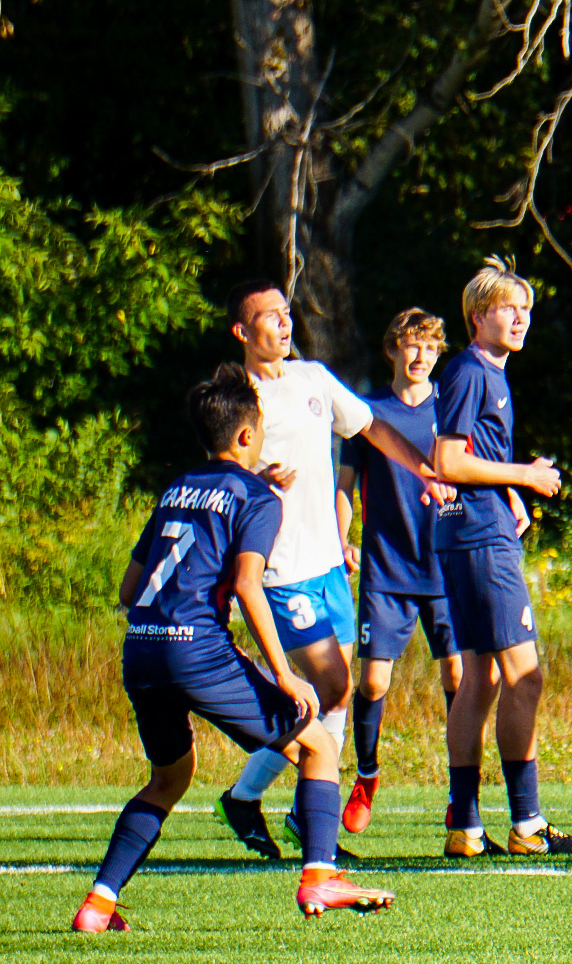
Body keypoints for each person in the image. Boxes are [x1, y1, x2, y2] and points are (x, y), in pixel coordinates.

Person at [74, 364, 393, 932]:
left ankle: (98, 904)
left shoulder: (176, 489)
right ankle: (321, 875)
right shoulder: (257, 495)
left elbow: (129, 590)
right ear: (247, 436)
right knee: (318, 742)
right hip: (197, 650)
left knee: (169, 779)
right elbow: (248, 585)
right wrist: (284, 674)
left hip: (142, 648)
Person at [214, 281, 447, 859]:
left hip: (327, 563)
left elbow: (369, 426)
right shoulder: (233, 395)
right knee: (333, 687)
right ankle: (261, 801)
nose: (285, 324)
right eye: (271, 317)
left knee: (332, 699)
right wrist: (252, 485)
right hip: (279, 570)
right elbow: (217, 476)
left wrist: (424, 470)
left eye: (287, 314)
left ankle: (288, 811)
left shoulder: (313, 378)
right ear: (244, 332)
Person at [434, 256, 572, 856]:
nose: (522, 318)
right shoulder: (471, 372)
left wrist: (507, 492)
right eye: (510, 308)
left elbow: (470, 454)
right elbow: (447, 461)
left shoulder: (489, 373)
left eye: (527, 310)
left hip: (474, 530)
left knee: (478, 680)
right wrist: (523, 477)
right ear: (478, 316)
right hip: (479, 539)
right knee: (525, 678)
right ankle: (526, 824)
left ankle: (466, 826)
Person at [334, 308, 466, 836]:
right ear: (392, 349)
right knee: (371, 681)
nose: (420, 356)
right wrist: (339, 537)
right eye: (411, 346)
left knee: (459, 677)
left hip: (447, 567)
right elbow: (344, 486)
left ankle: (463, 795)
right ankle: (366, 774)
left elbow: (474, 470)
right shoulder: (369, 415)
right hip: (387, 569)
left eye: (430, 348)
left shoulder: (449, 410)